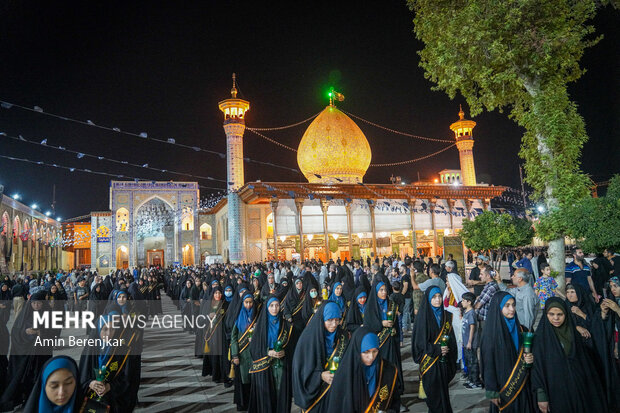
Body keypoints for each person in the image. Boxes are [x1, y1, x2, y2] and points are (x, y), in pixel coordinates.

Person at [532, 297, 608, 413]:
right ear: (546, 315)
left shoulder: (573, 334)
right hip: (556, 392)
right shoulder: (540, 339)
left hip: (579, 390)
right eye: (551, 314)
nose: (556, 318)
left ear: (566, 314)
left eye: (560, 314)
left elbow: (584, 362)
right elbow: (537, 369)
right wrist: (542, 396)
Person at [481, 292, 536, 412]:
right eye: (507, 306)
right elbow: (488, 363)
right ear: (498, 307)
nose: (512, 309)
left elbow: (533, 354)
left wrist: (531, 358)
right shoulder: (490, 333)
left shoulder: (523, 330)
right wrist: (492, 390)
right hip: (503, 386)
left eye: (513, 305)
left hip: (523, 383)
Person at [292, 301, 349, 412]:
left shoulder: (343, 335)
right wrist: (320, 376)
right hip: (316, 394)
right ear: (322, 318)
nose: (334, 324)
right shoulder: (308, 338)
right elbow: (301, 369)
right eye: (329, 320)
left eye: (337, 320)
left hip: (336, 391)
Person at [325, 328, 399, 413]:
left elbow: (394, 403)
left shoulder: (388, 370)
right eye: (366, 352)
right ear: (357, 350)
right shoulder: (345, 374)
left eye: (375, 351)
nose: (371, 357)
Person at [411, 287, 457, 413]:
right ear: (428, 299)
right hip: (430, 364)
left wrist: (448, 349)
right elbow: (419, 343)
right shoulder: (422, 318)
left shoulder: (446, 316)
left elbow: (451, 338)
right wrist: (437, 349)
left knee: (443, 397)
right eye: (434, 297)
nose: (438, 300)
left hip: (443, 362)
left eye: (439, 296)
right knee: (434, 399)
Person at [248, 296, 293, 413]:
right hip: (266, 366)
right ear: (267, 308)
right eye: (271, 306)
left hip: (282, 366)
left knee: (281, 394)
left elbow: (292, 347)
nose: (275, 308)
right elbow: (254, 348)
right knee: (268, 396)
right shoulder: (261, 326)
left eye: (277, 305)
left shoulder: (286, 325)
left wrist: (285, 352)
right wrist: (268, 352)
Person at [363, 280, 404, 410]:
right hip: (379, 346)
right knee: (381, 373)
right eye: (381, 290)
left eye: (385, 290)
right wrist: (382, 324)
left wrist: (396, 332)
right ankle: (380, 402)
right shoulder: (371, 306)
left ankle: (396, 401)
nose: (384, 292)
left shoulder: (391, 304)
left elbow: (397, 324)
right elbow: (369, 325)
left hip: (391, 344)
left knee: (394, 371)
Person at [78, 314, 129, 413]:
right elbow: (81, 376)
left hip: (113, 401)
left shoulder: (120, 350)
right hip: (90, 401)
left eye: (112, 329)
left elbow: (126, 378)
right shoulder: (89, 351)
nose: (109, 333)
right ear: (98, 330)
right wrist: (90, 383)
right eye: (105, 329)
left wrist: (110, 386)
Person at [230, 293, 258, 411]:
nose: (248, 305)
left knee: (253, 380)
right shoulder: (238, 317)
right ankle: (243, 404)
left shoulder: (256, 316)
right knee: (243, 381)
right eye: (246, 302)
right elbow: (233, 338)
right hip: (241, 355)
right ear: (242, 303)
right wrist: (235, 354)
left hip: (253, 354)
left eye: (250, 302)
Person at [459, 292, 481, 389]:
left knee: (473, 362)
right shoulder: (466, 312)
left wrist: (469, 341)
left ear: (469, 302)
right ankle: (471, 379)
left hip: (471, 343)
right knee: (468, 362)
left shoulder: (471, 313)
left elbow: (472, 328)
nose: (462, 302)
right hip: (466, 342)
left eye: (464, 300)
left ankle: (476, 382)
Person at [474, 265, 500, 330]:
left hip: (487, 320)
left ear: (488, 276)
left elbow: (478, 305)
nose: (479, 276)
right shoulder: (488, 286)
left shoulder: (491, 287)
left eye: (481, 274)